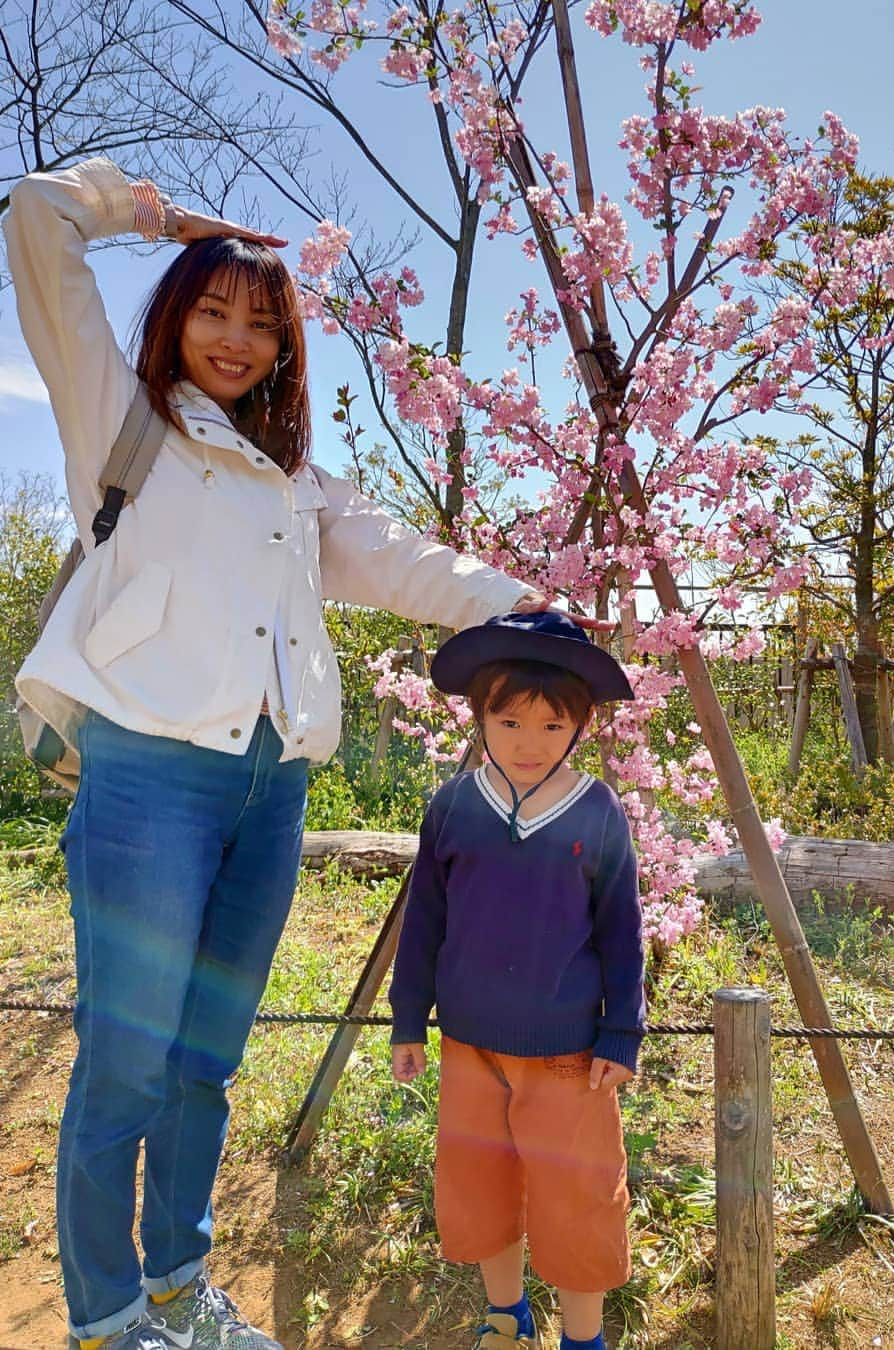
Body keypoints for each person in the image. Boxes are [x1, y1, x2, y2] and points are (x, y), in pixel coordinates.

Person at [3, 159, 601, 1350]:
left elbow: (403, 564)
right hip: (148, 774)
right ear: (176, 316)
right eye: (215, 311)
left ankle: (177, 1288)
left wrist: (531, 600)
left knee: (207, 1062)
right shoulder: (119, 414)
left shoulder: (295, 481)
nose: (235, 338)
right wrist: (164, 219)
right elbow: (34, 212)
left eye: (263, 322)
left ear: (286, 349)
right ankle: (107, 1317)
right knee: (126, 1054)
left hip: (271, 786)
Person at [389, 610, 646, 1350]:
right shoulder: (454, 807)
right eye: (508, 722)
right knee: (481, 1189)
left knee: (577, 1198)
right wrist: (411, 1021)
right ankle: (505, 1314)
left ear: (580, 726)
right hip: (469, 1044)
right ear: (479, 718)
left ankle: (583, 1337)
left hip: (569, 1057)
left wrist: (621, 1031)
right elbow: (425, 923)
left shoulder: (598, 811)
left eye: (550, 726)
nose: (528, 744)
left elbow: (622, 931)